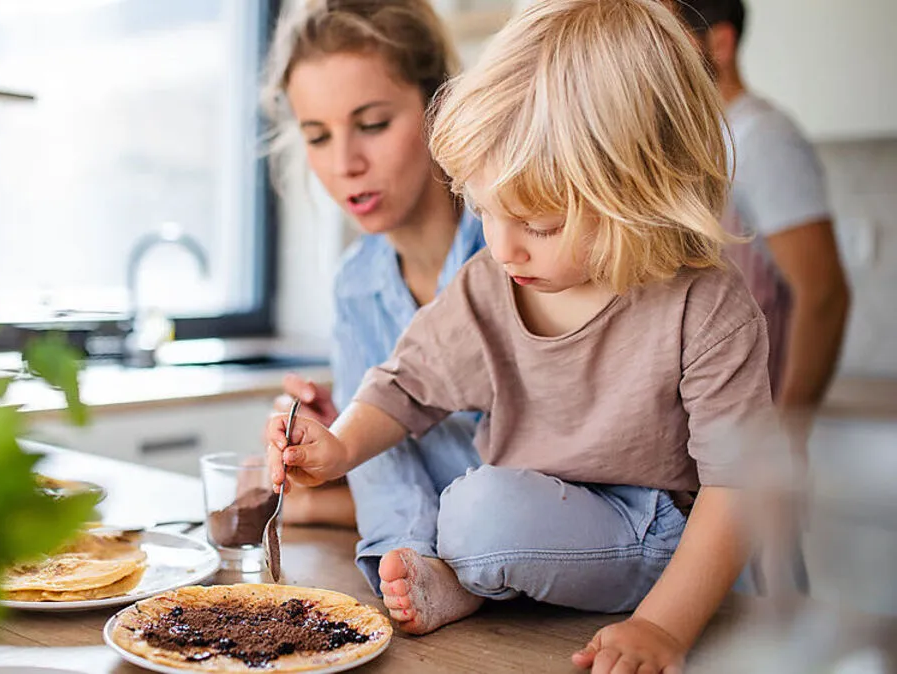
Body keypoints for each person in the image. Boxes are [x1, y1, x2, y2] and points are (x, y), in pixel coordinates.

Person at [266, 1, 774, 672]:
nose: (502, 248)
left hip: (655, 540)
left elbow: (738, 488)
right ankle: (473, 581)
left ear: (638, 191)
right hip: (539, 531)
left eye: (537, 225)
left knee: (484, 515)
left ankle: (484, 578)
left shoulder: (706, 308)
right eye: (486, 212)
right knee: (480, 511)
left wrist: (662, 628)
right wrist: (339, 448)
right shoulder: (491, 280)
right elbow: (404, 384)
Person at [261, 0, 486, 579]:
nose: (345, 163)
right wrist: (339, 444)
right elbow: (394, 483)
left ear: (440, 107)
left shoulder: (520, 249)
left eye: (373, 125)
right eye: (316, 136)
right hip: (453, 587)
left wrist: (327, 498)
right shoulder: (356, 284)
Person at [676, 0, 850, 409]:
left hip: (755, 420)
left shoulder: (764, 139)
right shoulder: (712, 139)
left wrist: (789, 429)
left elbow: (823, 294)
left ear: (719, 43)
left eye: (674, 41)